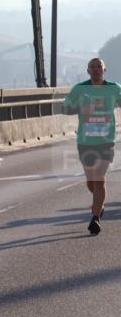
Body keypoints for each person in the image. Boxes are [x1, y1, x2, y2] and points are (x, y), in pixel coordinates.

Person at [62, 57, 121, 235]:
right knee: (91, 181)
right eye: (92, 67)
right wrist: (80, 107)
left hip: (106, 140)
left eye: (99, 67)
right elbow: (65, 108)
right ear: (88, 71)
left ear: (105, 70)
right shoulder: (80, 89)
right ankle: (98, 205)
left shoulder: (114, 88)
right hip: (85, 141)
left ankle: (95, 217)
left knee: (99, 177)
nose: (96, 69)